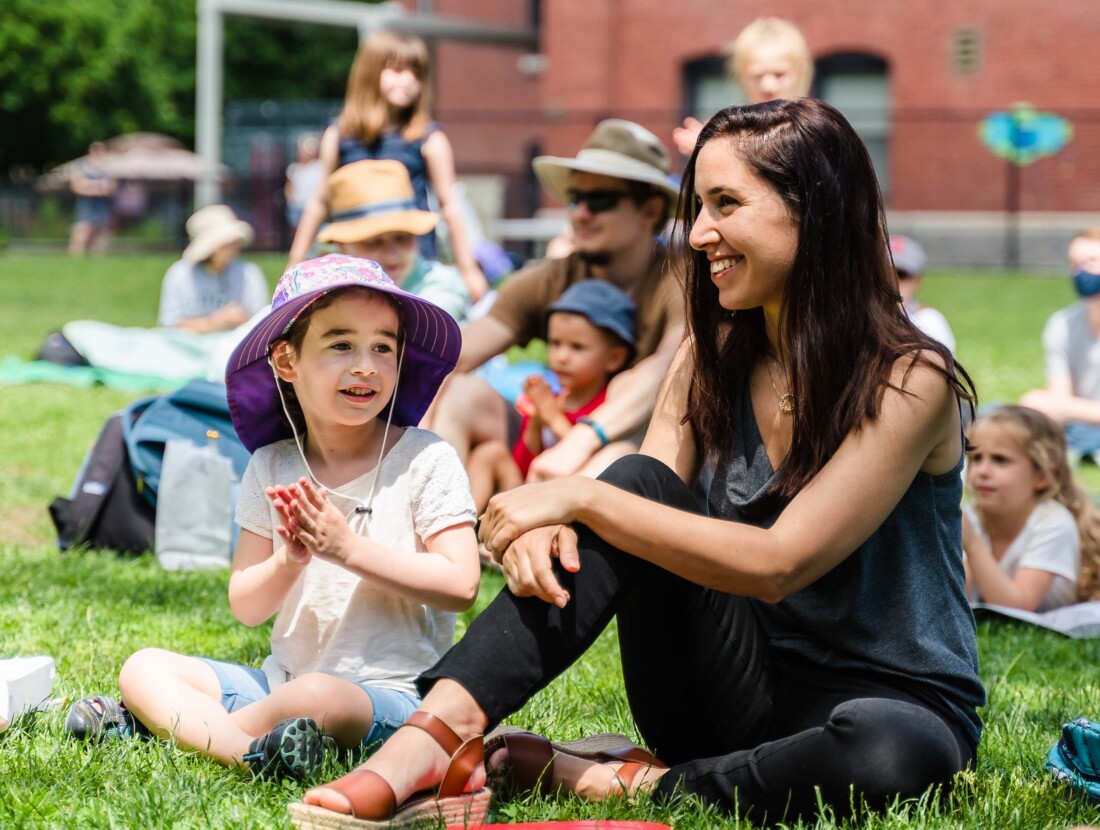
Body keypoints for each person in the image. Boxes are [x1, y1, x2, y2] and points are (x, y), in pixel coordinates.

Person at [289, 99, 985, 829]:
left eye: (725, 204)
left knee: (889, 754)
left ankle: (613, 783)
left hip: (885, 704)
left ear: (811, 210)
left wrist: (577, 500)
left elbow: (782, 560)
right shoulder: (709, 355)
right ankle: (430, 739)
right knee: (636, 488)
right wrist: (554, 532)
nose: (701, 233)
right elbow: (643, 501)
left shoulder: (910, 380)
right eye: (698, 205)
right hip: (730, 689)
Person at [67, 255, 480, 783]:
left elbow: (462, 584)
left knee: (316, 697)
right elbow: (247, 604)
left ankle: (168, 728)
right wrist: (292, 559)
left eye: (383, 347)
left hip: (397, 697)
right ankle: (254, 752)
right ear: (287, 362)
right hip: (280, 680)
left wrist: (347, 549)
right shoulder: (273, 463)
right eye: (340, 345)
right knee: (144, 666)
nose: (365, 365)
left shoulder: (426, 458)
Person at [426, 119, 685, 484]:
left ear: (651, 211)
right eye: (576, 199)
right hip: (546, 448)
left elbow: (670, 367)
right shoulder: (551, 277)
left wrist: (584, 439)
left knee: (623, 450)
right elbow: (456, 353)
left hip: (629, 446)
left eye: (600, 201)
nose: (580, 213)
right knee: (461, 394)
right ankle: (439, 521)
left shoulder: (679, 278)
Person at [288, 29, 489, 302]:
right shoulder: (339, 135)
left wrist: (468, 268)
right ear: (370, 73)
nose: (407, 80)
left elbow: (450, 204)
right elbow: (319, 202)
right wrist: (295, 263)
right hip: (355, 261)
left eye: (415, 73)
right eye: (396, 70)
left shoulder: (427, 137)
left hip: (409, 263)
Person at [467, 280, 636, 514]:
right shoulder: (553, 398)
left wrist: (554, 419)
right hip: (529, 486)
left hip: (566, 499)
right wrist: (536, 423)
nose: (562, 356)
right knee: (489, 452)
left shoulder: (609, 405)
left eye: (577, 347)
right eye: (555, 344)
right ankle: (466, 520)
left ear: (614, 358)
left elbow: (592, 464)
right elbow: (524, 462)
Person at [963, 405, 1100, 612]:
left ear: (1042, 476)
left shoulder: (1052, 522)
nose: (982, 471)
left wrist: (972, 544)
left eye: (1000, 459)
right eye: (976, 458)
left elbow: (1019, 607)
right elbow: (960, 601)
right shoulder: (972, 516)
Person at [314, 158, 470, 323]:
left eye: (403, 237)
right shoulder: (323, 289)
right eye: (374, 241)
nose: (392, 253)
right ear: (341, 245)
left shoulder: (441, 289)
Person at [673, 17, 814, 156]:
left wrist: (711, 153)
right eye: (757, 76)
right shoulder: (731, 135)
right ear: (741, 75)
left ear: (801, 72)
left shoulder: (816, 132)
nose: (768, 86)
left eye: (779, 74)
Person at [1021, 228, 1100, 458]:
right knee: (1027, 405)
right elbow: (1058, 398)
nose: (1081, 271)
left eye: (1092, 261)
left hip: (1077, 420)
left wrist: (1066, 407)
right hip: (1077, 426)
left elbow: (1061, 404)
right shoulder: (1062, 324)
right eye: (1075, 263)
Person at [157, 205, 269, 333]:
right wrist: (213, 323)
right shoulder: (179, 274)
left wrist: (241, 319)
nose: (233, 248)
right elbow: (169, 326)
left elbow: (262, 326)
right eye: (226, 244)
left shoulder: (249, 274)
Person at [891, 233, 956, 352]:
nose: (893, 282)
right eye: (885, 274)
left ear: (918, 281)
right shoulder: (861, 318)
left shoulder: (930, 321)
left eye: (902, 275)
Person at [68, 141, 117, 256]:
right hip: (86, 204)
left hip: (102, 204)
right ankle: (75, 259)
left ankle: (98, 262)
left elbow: (112, 187)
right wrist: (97, 188)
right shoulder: (82, 166)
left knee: (101, 235)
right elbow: (76, 186)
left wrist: (90, 186)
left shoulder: (107, 168)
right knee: (81, 233)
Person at [285, 133, 323, 231]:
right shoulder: (293, 168)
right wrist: (291, 200)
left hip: (312, 206)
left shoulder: (319, 166)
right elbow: (289, 187)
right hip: (297, 207)